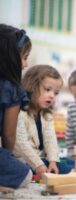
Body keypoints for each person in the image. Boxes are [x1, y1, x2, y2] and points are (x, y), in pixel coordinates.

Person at [13, 65, 73, 176]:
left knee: (69, 162)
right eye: (47, 90)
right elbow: (20, 144)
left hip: (41, 159)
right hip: (24, 160)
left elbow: (50, 140)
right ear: (32, 87)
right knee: (67, 168)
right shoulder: (21, 113)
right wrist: (39, 165)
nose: (52, 96)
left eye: (55, 93)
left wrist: (53, 161)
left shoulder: (46, 114)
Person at [0, 24, 33, 189]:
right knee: (26, 174)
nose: (26, 64)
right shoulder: (11, 88)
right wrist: (9, 157)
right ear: (10, 57)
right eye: (24, 57)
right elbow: (8, 136)